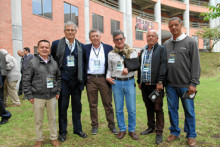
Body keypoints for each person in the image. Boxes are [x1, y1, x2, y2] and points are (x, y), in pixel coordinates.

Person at [163, 17, 200, 147]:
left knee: (189, 111)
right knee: (172, 109)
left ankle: (191, 135)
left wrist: (193, 83)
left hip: (186, 85)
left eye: (176, 25)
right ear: (168, 27)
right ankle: (174, 132)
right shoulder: (166, 44)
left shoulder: (190, 42)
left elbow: (195, 64)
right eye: (171, 26)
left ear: (181, 25)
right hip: (170, 85)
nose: (174, 27)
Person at [51, 21, 87, 141]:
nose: (70, 32)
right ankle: (62, 132)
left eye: (72, 30)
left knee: (77, 107)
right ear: (64, 31)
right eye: (68, 30)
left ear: (76, 31)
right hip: (63, 82)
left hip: (76, 82)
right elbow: (52, 63)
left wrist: (83, 81)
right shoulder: (56, 44)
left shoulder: (81, 46)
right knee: (63, 107)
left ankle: (77, 129)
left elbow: (84, 64)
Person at [23, 40, 61, 147]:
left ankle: (54, 138)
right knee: (38, 120)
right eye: (42, 47)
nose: (44, 49)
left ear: (49, 49)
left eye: (47, 47)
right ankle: (39, 140)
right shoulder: (32, 63)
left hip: (52, 96)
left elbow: (58, 78)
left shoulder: (54, 63)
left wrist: (58, 91)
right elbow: (26, 80)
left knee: (52, 119)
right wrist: (29, 95)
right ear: (38, 49)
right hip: (38, 96)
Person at [106, 30, 139, 140]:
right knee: (119, 108)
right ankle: (122, 129)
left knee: (132, 109)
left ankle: (132, 130)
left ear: (124, 39)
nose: (119, 41)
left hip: (129, 81)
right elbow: (109, 69)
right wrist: (108, 76)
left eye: (121, 38)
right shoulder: (111, 54)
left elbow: (136, 65)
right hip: (117, 82)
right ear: (114, 41)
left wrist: (128, 69)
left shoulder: (132, 51)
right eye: (116, 39)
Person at [85, 29, 118, 135]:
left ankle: (112, 125)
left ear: (100, 36)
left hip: (104, 78)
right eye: (92, 36)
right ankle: (94, 125)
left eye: (97, 36)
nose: (95, 38)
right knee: (92, 104)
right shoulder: (85, 48)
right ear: (90, 38)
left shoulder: (108, 48)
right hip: (91, 80)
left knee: (108, 103)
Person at [137, 30, 167, 144]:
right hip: (145, 85)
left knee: (157, 107)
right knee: (149, 107)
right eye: (148, 36)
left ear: (157, 38)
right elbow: (140, 66)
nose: (150, 37)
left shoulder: (161, 49)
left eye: (152, 36)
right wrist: (139, 81)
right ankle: (151, 127)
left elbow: (163, 65)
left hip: (156, 85)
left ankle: (159, 132)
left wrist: (160, 81)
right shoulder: (143, 50)